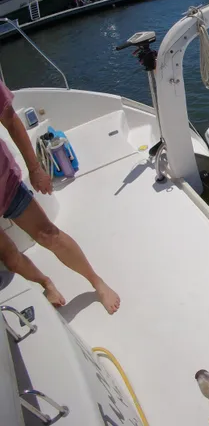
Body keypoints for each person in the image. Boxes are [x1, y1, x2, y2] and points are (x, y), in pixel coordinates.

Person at [0, 80, 120, 314]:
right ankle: (46, 283)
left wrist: (34, 169)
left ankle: (97, 282)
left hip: (4, 182)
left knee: (48, 235)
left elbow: (11, 120)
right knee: (9, 257)